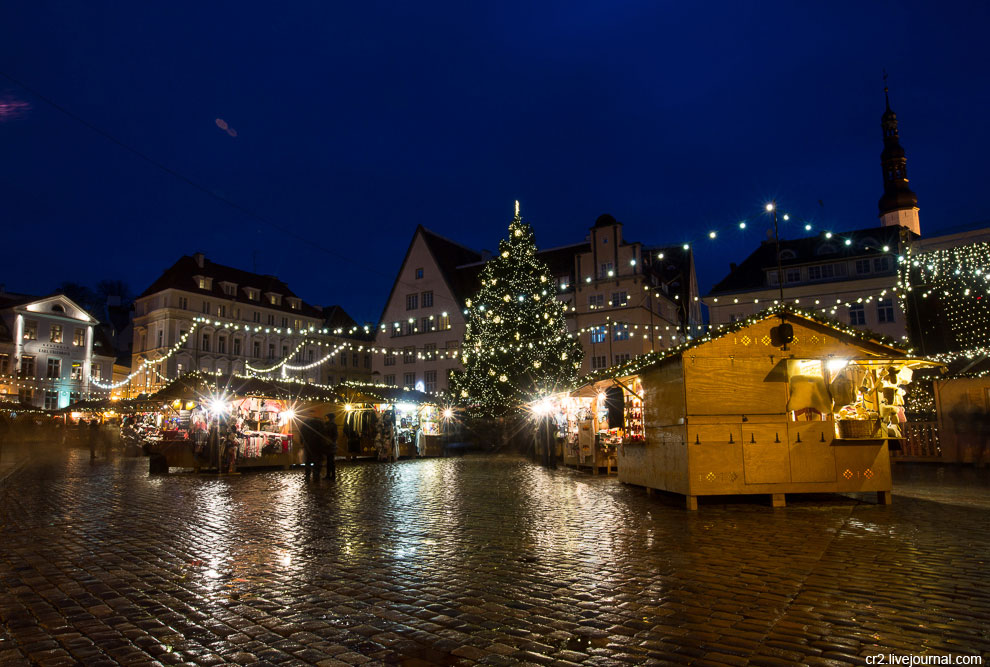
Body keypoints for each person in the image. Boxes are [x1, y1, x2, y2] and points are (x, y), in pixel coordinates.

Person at [324, 412, 338, 481]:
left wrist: (331, 441)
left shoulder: (333, 425)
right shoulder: (326, 424)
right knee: (329, 461)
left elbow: (335, 436)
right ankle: (328, 475)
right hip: (327, 445)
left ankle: (332, 475)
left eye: (326, 418)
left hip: (331, 446)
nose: (325, 419)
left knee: (331, 461)